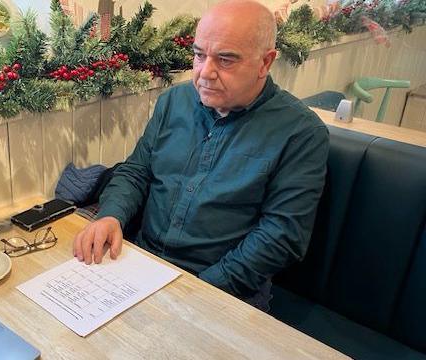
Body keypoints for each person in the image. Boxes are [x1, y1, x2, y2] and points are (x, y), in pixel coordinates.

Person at [72, 0, 329, 311]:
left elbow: (281, 236)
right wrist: (110, 215)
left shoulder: (300, 132)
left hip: (227, 288)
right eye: (198, 55)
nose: (205, 73)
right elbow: (136, 171)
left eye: (226, 60)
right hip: (141, 264)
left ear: (266, 62)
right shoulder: (174, 102)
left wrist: (202, 289)